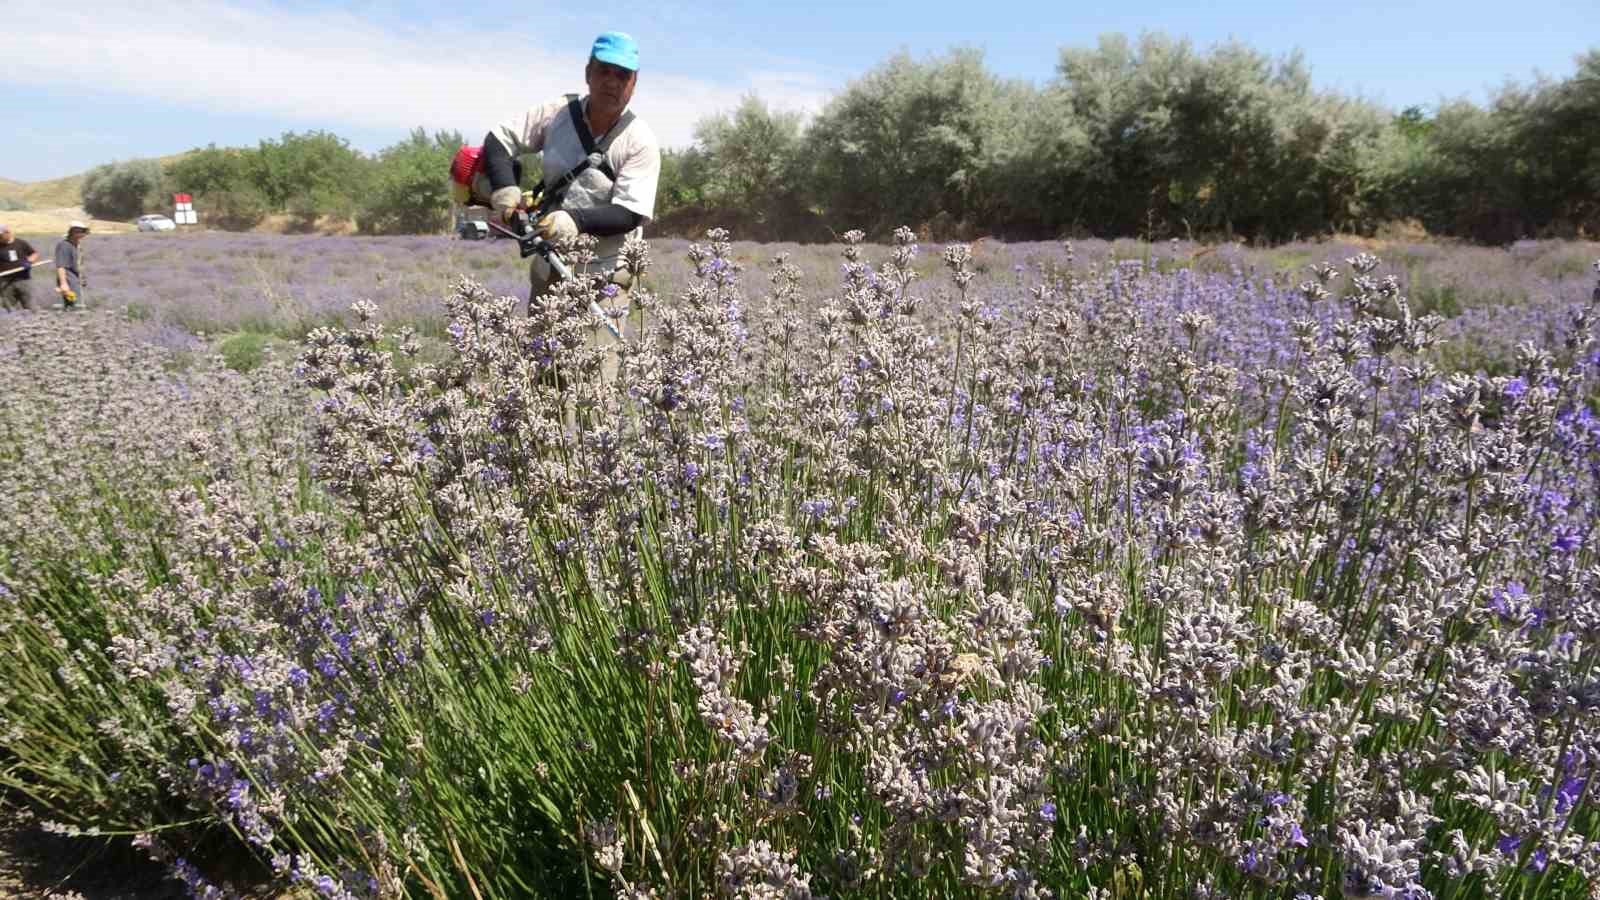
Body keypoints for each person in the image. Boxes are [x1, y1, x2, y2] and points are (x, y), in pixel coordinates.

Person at [477, 30, 661, 367]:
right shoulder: (559, 113)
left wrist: (575, 220)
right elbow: (498, 140)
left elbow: (630, 213)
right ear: (588, 73)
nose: (612, 82)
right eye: (604, 71)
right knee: (546, 387)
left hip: (604, 284)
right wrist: (505, 190)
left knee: (596, 393)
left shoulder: (640, 142)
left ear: (634, 83)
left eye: (623, 75)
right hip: (550, 272)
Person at [0, 225, 40, 311]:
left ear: (7, 233)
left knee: (31, 306)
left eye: (0, 236)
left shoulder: (21, 243)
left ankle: (36, 321)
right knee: (7, 308)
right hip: (6, 282)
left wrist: (29, 261)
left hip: (23, 280)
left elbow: (34, 254)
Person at [54, 221, 89, 309]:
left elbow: (78, 265)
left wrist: (82, 278)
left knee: (76, 305)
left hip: (76, 280)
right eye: (82, 232)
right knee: (75, 306)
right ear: (74, 232)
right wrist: (63, 284)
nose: (84, 234)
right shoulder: (64, 246)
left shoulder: (77, 246)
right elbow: (61, 266)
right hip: (69, 280)